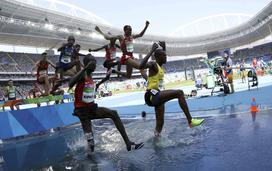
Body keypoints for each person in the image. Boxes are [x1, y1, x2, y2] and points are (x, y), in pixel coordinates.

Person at [68, 54, 144, 154]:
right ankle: (90, 158)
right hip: (82, 112)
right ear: (87, 64)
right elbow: (70, 84)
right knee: (91, 144)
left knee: (114, 114)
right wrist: (84, 68)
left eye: (95, 63)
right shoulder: (83, 74)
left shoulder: (90, 75)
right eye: (93, 63)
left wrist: (104, 79)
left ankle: (128, 144)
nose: (95, 65)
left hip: (91, 108)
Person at [139, 42, 204, 137]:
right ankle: (190, 121)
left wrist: (163, 48)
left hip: (157, 96)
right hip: (152, 95)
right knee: (179, 93)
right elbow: (141, 66)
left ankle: (156, 140)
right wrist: (152, 50)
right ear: (158, 57)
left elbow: (148, 69)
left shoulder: (159, 67)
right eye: (164, 56)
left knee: (160, 124)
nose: (166, 57)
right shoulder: (153, 64)